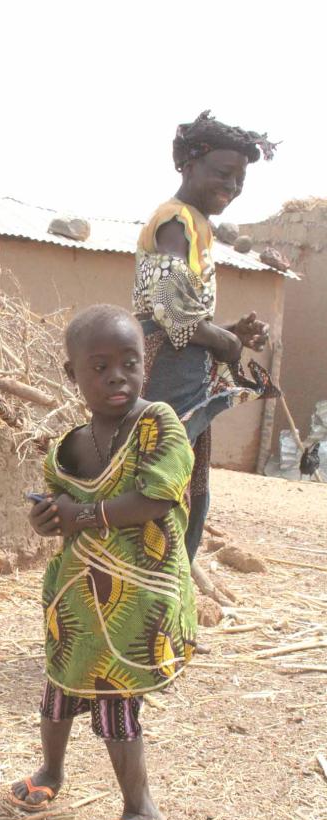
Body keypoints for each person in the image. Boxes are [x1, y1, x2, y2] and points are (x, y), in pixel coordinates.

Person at [10, 304, 196, 820]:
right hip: (75, 594)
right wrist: (46, 518)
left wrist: (81, 516)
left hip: (138, 595)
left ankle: (143, 809)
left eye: (129, 363)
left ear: (145, 366)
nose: (117, 375)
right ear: (72, 375)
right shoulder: (68, 444)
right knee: (60, 689)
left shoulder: (158, 424)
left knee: (116, 700)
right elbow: (57, 509)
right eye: (99, 366)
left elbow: (155, 498)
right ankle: (50, 774)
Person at [133, 110, 281, 560]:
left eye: (240, 179)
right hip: (167, 367)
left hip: (183, 364)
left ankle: (169, 575)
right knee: (162, 472)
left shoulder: (196, 223)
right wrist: (227, 342)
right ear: (189, 165)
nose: (233, 187)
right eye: (224, 174)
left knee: (183, 477)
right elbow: (170, 311)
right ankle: (147, 572)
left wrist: (229, 331)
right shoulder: (175, 219)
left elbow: (185, 315)